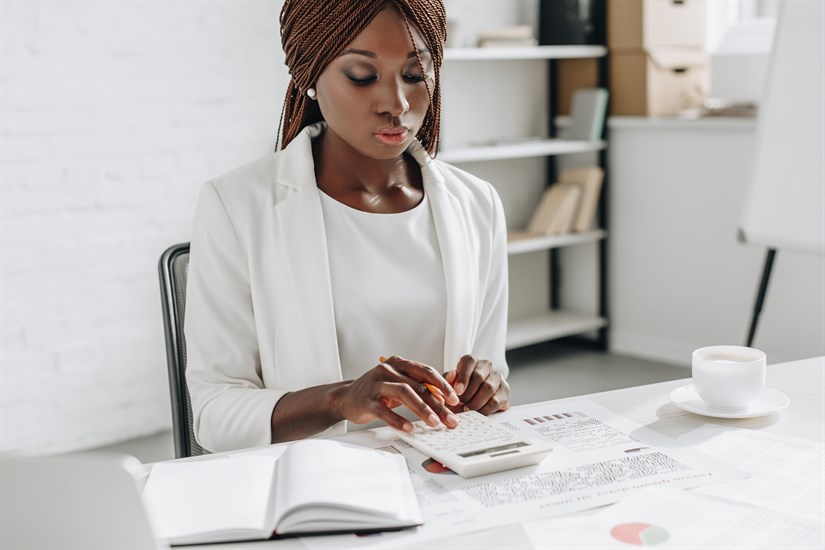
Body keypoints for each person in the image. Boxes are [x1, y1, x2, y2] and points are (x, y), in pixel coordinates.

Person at [185, 0, 510, 453]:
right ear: (307, 76)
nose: (396, 103)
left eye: (416, 75)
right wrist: (340, 400)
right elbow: (215, 415)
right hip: (314, 487)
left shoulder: (477, 204)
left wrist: (489, 386)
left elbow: (490, 369)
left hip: (444, 479)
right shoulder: (235, 205)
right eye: (362, 76)